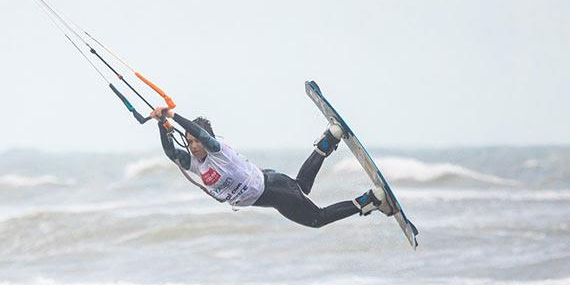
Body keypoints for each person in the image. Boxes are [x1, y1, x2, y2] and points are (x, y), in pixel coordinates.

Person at [150, 107, 395, 228]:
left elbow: (202, 134)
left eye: (195, 142)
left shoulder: (218, 151)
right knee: (302, 187)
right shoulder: (196, 164)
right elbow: (172, 152)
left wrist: (174, 114)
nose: (192, 146)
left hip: (273, 192)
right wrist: (162, 124)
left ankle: (370, 199)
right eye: (189, 142)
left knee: (316, 219)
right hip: (270, 182)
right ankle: (328, 140)